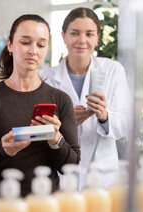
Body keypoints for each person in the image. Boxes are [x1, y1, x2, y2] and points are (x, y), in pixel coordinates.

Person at [0, 14, 80, 212]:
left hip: (44, 208)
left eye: (41, 44)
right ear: (10, 44)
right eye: (25, 42)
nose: (33, 50)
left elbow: (72, 164)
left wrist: (55, 140)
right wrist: (4, 149)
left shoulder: (60, 100)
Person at [42, 7, 131, 190]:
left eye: (89, 34)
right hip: (63, 176)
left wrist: (104, 116)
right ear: (63, 36)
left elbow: (125, 124)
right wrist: (67, 122)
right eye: (75, 33)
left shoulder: (113, 71)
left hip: (103, 178)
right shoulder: (47, 78)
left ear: (97, 37)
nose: (82, 40)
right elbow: (40, 130)